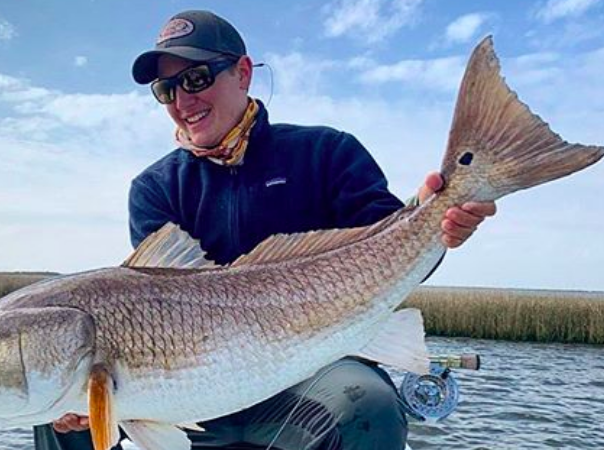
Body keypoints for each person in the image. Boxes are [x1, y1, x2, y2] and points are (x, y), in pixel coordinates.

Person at [35, 9, 496, 450]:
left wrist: (435, 220)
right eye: (166, 89)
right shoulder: (155, 188)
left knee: (370, 405)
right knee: (57, 422)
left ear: (242, 73)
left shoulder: (326, 152)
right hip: (190, 392)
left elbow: (395, 253)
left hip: (312, 373)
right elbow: (153, 304)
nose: (182, 101)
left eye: (196, 78)